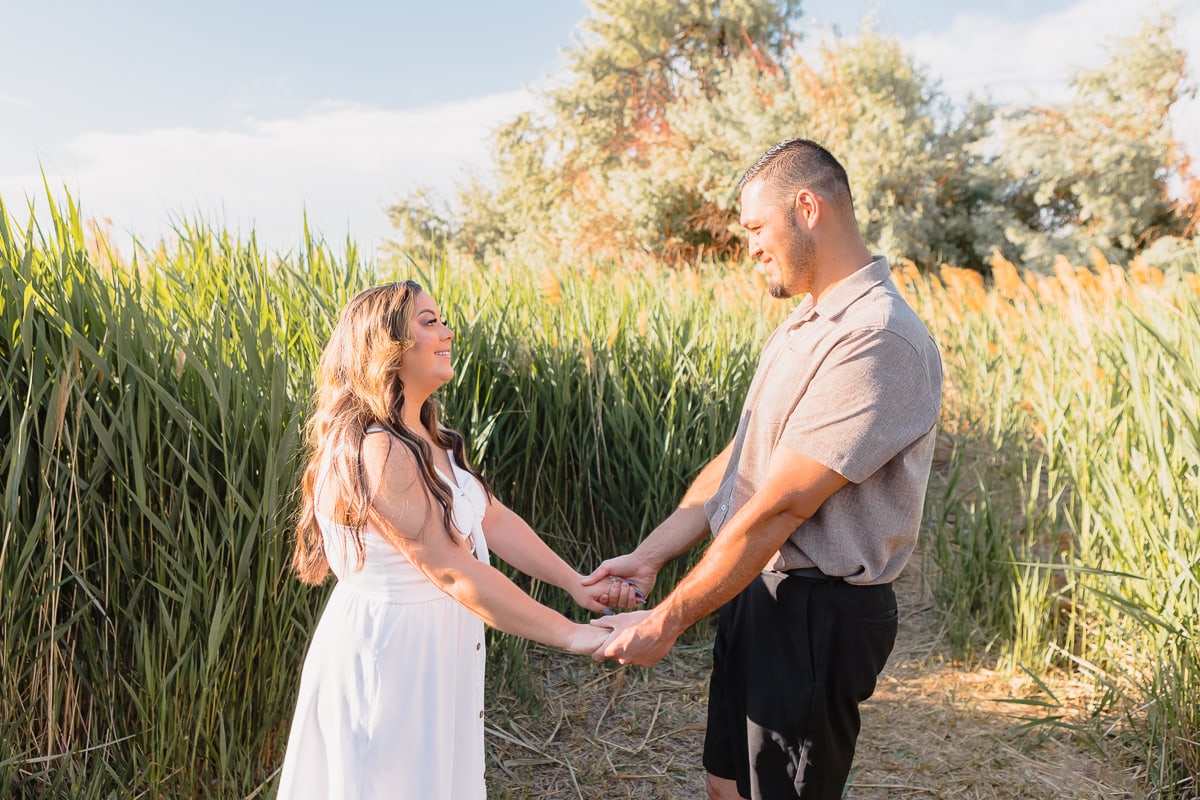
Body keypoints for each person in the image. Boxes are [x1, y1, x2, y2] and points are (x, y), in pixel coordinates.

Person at [587, 139, 944, 800]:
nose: (750, 246)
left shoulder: (876, 337)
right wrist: (650, 556)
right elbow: (742, 458)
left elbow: (782, 504)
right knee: (724, 783)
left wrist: (666, 620)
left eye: (756, 228)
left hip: (816, 614)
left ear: (806, 208)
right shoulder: (804, 322)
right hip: (755, 586)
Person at [276, 280, 616, 799]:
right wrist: (572, 635)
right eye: (429, 321)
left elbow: (492, 520)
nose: (447, 332)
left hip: (436, 647)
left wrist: (575, 583)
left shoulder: (432, 439)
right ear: (386, 343)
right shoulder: (379, 450)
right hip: (393, 656)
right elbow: (452, 570)